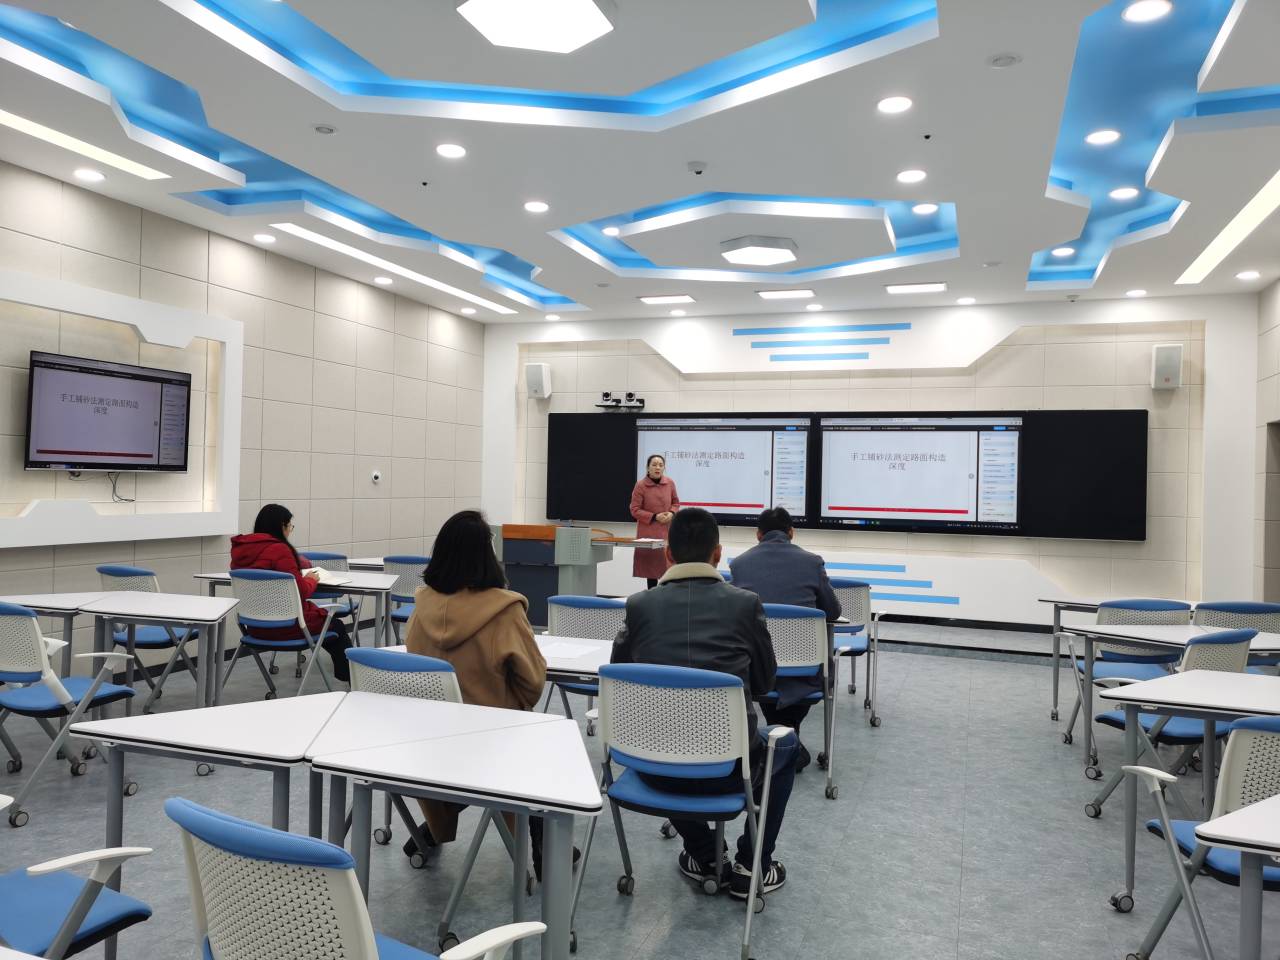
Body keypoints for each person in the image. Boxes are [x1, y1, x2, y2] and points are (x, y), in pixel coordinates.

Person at [611, 507, 797, 899]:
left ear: (667, 554)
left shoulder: (639, 606)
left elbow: (621, 680)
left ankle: (706, 855)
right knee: (785, 745)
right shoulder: (746, 604)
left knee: (667, 738)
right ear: (718, 554)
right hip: (729, 769)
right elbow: (765, 683)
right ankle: (752, 866)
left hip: (653, 766)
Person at [403, 509, 569, 877]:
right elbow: (532, 684)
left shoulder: (420, 607)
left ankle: (434, 826)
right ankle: (542, 842)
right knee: (545, 744)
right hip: (493, 745)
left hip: (428, 746)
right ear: (486, 554)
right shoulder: (505, 611)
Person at [729, 507, 841, 773]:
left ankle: (782, 740)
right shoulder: (813, 563)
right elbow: (833, 611)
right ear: (792, 532)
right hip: (806, 672)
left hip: (756, 670)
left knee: (766, 677)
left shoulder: (739, 564)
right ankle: (788, 739)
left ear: (758, 535)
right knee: (814, 672)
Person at [229, 503, 353, 683]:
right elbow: (302, 591)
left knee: (328, 629)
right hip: (287, 628)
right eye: (289, 526)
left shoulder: (240, 551)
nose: (289, 531)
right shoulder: (280, 550)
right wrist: (311, 579)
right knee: (336, 627)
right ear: (281, 526)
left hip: (255, 629)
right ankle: (352, 681)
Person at [630, 454, 679, 588]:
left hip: (667, 530)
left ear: (664, 468)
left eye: (660, 465)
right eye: (654, 464)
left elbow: (676, 503)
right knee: (651, 570)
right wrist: (654, 516)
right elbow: (634, 510)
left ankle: (667, 596)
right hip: (649, 532)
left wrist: (672, 513)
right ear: (648, 467)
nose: (657, 467)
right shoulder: (641, 485)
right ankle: (653, 596)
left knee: (669, 568)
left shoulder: (670, 483)